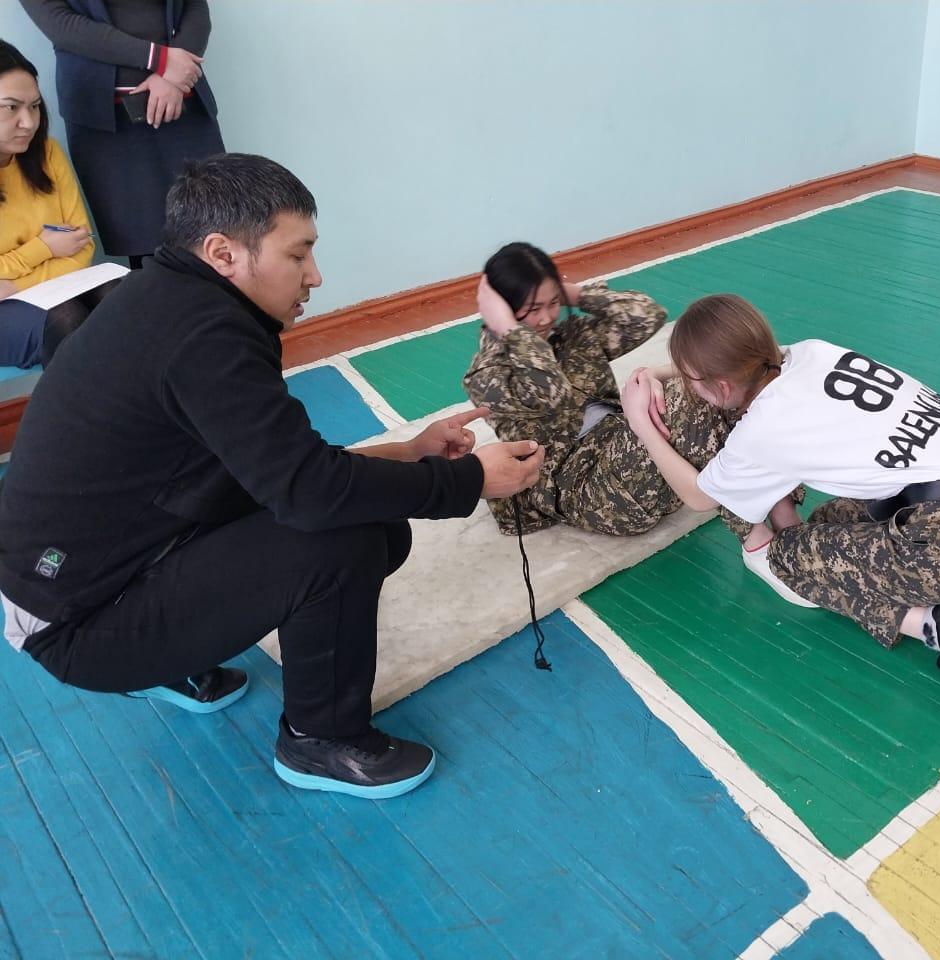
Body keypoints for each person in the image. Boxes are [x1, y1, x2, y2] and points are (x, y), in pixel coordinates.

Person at [0, 153, 545, 798]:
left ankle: (176, 657)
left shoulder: (169, 298)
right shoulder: (204, 336)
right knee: (346, 540)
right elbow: (312, 495)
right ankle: (320, 740)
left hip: (96, 571)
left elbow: (284, 467)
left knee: (370, 521)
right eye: (298, 254)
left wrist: (412, 453)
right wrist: (471, 481)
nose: (315, 275)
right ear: (223, 253)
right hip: (77, 621)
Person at [620, 294, 940, 700]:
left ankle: (937, 625)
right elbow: (742, 362)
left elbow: (699, 496)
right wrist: (660, 371)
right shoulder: (811, 352)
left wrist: (642, 423)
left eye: (693, 381)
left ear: (720, 386)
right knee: (827, 525)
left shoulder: (761, 430)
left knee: (790, 559)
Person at [462, 242, 791, 553]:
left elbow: (647, 315)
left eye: (552, 304)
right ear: (503, 310)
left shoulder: (570, 337)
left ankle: (781, 506)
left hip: (631, 450)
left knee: (722, 382)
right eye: (533, 309)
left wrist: (574, 294)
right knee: (691, 395)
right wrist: (510, 330)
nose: (547, 317)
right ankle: (754, 535)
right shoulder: (488, 375)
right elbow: (552, 391)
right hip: (589, 488)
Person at [18, 0, 225, 267]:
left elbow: (194, 7)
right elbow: (60, 23)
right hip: (106, 117)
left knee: (220, 224)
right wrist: (160, 60)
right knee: (146, 247)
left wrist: (173, 76)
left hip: (182, 100)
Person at [0, 40, 121, 368]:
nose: (29, 121)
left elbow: (82, 245)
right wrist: (44, 248)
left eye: (34, 106)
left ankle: (147, 398)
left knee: (120, 295)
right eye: (11, 107)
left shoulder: (47, 153)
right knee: (66, 318)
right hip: (25, 310)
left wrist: (15, 283)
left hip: (41, 288)